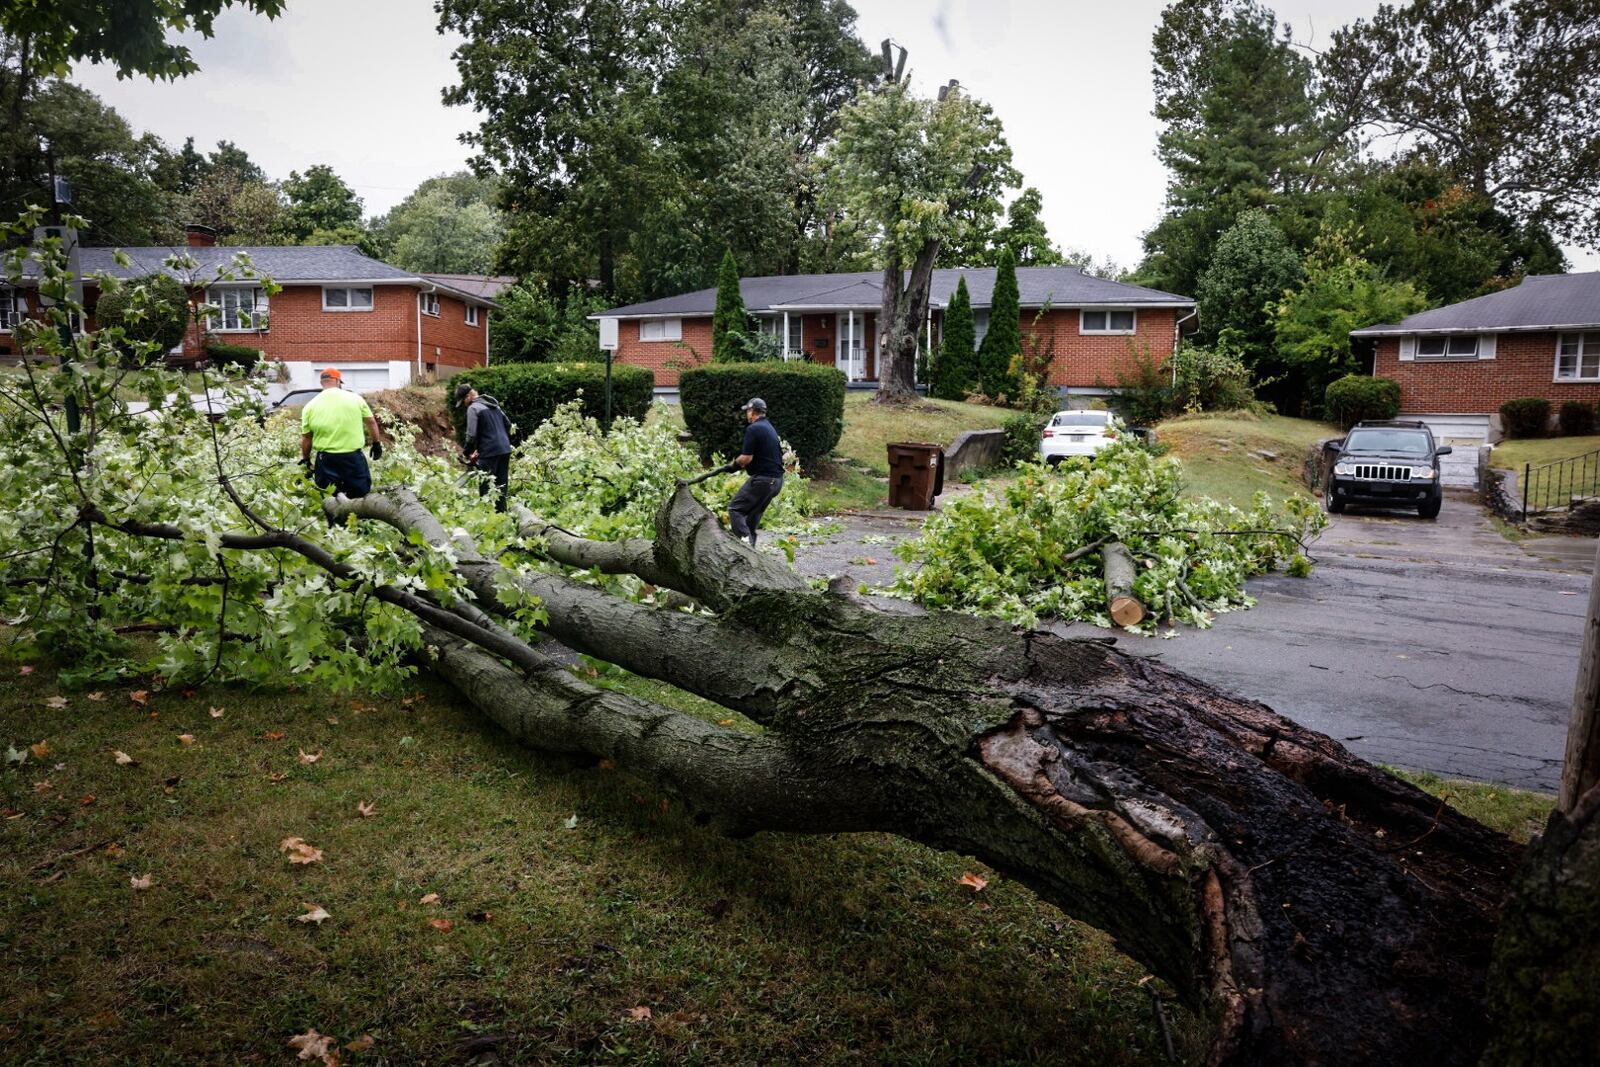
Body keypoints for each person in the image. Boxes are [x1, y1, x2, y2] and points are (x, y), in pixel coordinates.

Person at [299, 368, 383, 499]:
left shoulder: (310, 406)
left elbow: (306, 438)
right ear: (338, 381)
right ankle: (359, 518)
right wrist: (376, 443)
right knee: (360, 497)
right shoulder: (355, 399)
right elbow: (371, 422)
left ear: (322, 383)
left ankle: (334, 519)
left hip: (326, 460)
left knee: (330, 499)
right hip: (353, 458)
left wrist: (306, 459)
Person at [727, 397, 784, 547]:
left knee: (735, 509)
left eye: (747, 411)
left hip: (764, 480)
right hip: (776, 481)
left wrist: (733, 465)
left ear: (752, 411)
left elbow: (746, 458)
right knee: (752, 516)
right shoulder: (768, 426)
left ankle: (745, 545)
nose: (747, 414)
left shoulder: (753, 428)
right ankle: (751, 550)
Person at [455, 382, 513, 512]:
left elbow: (471, 435)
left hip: (489, 451)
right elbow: (508, 425)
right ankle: (502, 518)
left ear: (468, 396)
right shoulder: (494, 405)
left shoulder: (473, 408)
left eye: (463, 401)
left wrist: (466, 453)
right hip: (504, 449)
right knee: (501, 487)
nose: (464, 405)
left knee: (485, 488)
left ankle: (487, 518)